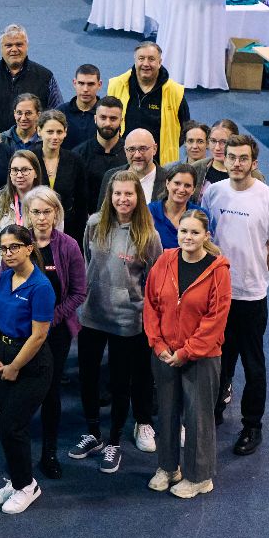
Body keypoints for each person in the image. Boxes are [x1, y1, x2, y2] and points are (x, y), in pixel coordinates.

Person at [69, 170, 163, 474]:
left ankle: (114, 441)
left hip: (128, 321)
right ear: (110, 196)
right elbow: (87, 262)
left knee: (122, 382)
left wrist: (140, 308)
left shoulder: (148, 235)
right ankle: (93, 433)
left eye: (128, 194)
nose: (123, 199)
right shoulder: (94, 224)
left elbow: (154, 281)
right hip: (93, 315)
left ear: (138, 197)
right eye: (117, 193)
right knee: (88, 377)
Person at [201, 134, 269, 456]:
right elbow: (205, 237)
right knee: (218, 360)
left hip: (251, 298)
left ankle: (252, 425)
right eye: (231, 157)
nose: (236, 164)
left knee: (253, 364)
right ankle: (213, 411)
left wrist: (256, 276)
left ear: (254, 162)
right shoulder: (213, 192)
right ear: (224, 159)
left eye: (243, 158)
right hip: (217, 295)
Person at [143, 211, 232, 499]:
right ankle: (168, 468)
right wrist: (158, 345)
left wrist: (187, 352)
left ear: (207, 236)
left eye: (195, 232)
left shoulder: (218, 271)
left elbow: (215, 319)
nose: (188, 237)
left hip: (201, 357)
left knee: (198, 418)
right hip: (165, 354)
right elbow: (151, 304)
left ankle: (199, 477)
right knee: (167, 413)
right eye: (184, 231)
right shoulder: (165, 260)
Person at [0, 223, 56, 514]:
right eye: (3, 248)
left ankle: (27, 486)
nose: (8, 253)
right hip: (3, 353)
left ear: (29, 248)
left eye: (14, 247)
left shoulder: (41, 286)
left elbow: (39, 336)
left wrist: (14, 366)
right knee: (7, 426)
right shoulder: (4, 278)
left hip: (31, 362)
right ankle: (16, 480)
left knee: (13, 426)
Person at [21, 186, 86, 479]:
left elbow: (78, 292)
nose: (41, 218)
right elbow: (4, 284)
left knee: (50, 392)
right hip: (22, 330)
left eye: (47, 211)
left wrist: (49, 320)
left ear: (56, 213)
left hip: (56, 331)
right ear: (27, 213)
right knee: (20, 390)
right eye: (36, 212)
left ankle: (49, 452)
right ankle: (19, 453)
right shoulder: (17, 242)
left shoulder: (69, 246)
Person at [107, 41, 190, 165]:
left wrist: (167, 147)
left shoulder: (175, 92)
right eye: (141, 58)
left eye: (151, 59)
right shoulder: (116, 85)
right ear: (135, 60)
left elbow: (185, 129)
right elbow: (108, 121)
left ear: (159, 62)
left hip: (160, 164)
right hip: (123, 161)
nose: (146, 64)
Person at [0, 24, 61, 132]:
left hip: (33, 141)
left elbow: (57, 115)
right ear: (1, 48)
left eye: (19, 44)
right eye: (8, 45)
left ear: (27, 46)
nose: (14, 49)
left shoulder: (45, 77)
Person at [0, 150, 44, 266]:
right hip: (1, 268)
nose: (19, 175)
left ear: (36, 172)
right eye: (15, 170)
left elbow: (55, 240)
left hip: (34, 268)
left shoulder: (46, 201)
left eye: (25, 170)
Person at [37, 110, 89, 242]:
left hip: (68, 231)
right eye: (50, 132)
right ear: (39, 131)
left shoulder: (75, 160)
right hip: (35, 229)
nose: (55, 137)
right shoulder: (30, 158)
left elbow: (81, 203)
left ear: (65, 132)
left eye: (59, 132)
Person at [74, 95, 126, 206]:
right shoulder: (78, 155)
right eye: (103, 117)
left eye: (113, 118)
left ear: (121, 121)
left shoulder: (130, 154)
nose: (107, 123)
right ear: (95, 119)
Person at [98, 128, 165, 207]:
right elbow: (102, 213)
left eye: (143, 149)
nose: (137, 155)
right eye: (131, 149)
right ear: (125, 151)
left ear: (154, 149)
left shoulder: (168, 179)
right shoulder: (110, 176)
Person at [149, 163, 206, 249]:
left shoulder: (202, 215)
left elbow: (207, 248)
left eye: (187, 185)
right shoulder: (149, 211)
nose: (181, 189)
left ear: (193, 190)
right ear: (167, 183)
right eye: (177, 183)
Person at [56, 64, 103, 140]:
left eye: (90, 84)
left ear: (99, 85)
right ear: (74, 83)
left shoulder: (106, 114)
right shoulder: (60, 112)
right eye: (81, 83)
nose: (85, 89)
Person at [202, 119, 240, 186]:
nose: (217, 148)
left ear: (236, 143)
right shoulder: (197, 169)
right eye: (213, 141)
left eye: (224, 142)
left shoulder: (251, 174)